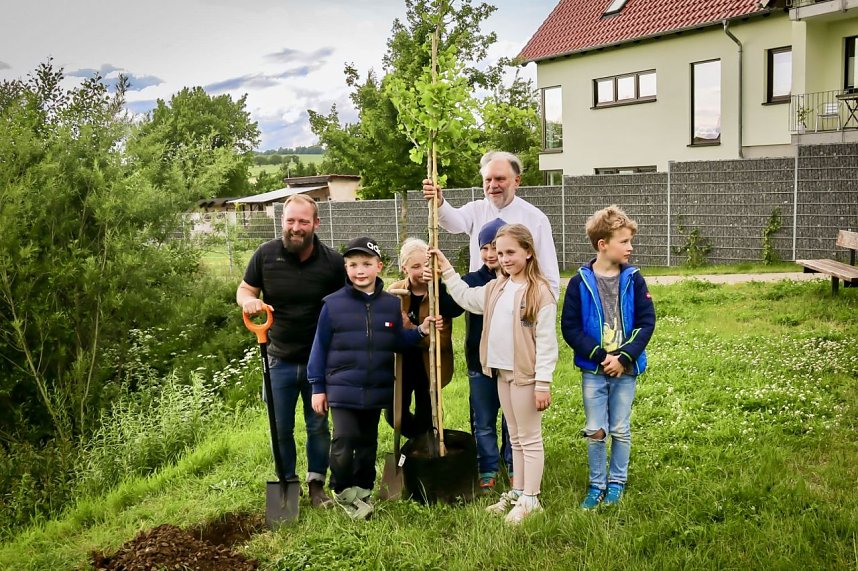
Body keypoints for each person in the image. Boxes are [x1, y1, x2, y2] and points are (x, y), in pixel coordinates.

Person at [430, 223, 558, 525]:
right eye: (500, 253)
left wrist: (543, 383)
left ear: (528, 252)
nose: (504, 258)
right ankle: (517, 492)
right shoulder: (497, 287)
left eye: (511, 252)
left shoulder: (540, 293)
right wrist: (447, 268)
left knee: (529, 438)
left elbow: (547, 344)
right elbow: (465, 296)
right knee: (514, 437)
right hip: (501, 373)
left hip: (526, 377)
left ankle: (531, 498)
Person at [308, 237, 442, 520]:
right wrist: (318, 387)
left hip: (376, 387)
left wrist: (419, 331)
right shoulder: (332, 305)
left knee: (367, 443)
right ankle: (343, 490)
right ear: (346, 268)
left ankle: (363, 490)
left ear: (378, 266)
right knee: (344, 441)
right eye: (353, 265)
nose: (360, 270)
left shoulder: (390, 305)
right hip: (342, 387)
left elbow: (394, 341)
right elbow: (319, 348)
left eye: (367, 264)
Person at [236, 194, 345, 509]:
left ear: (316, 224)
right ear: (281, 222)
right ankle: (287, 483)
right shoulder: (265, 255)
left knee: (318, 425)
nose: (296, 228)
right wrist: (250, 302)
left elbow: (351, 299)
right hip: (278, 359)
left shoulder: (333, 263)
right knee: (279, 427)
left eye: (303, 221)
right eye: (290, 221)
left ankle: (316, 484)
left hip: (319, 364)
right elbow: (245, 289)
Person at [560, 205, 655, 510]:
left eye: (630, 241)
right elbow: (570, 328)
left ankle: (616, 483)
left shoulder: (635, 279)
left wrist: (624, 358)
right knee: (595, 430)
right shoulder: (579, 282)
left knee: (620, 429)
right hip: (594, 370)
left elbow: (646, 323)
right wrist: (602, 357)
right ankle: (597, 484)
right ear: (603, 245)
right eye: (625, 241)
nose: (631, 247)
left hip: (625, 370)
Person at [422, 150, 561, 298]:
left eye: (500, 179)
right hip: (477, 299)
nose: (493, 185)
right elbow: (454, 224)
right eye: (488, 180)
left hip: (519, 305)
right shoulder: (476, 209)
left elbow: (548, 272)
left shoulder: (535, 218)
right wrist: (440, 203)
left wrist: (544, 308)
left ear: (517, 181)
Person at [386, 238, 463, 438]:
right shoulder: (395, 292)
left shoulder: (439, 296)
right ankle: (417, 441)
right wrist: (393, 325)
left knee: (425, 416)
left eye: (426, 265)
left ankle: (423, 448)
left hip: (428, 366)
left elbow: (442, 341)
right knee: (394, 415)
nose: (422, 271)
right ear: (404, 268)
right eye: (415, 266)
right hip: (400, 365)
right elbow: (384, 329)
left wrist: (412, 328)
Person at [461, 218, 513, 494]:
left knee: (512, 418)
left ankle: (513, 463)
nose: (491, 254)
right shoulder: (472, 281)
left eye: (496, 247)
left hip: (511, 363)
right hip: (479, 363)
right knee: (483, 419)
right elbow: (451, 302)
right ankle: (487, 466)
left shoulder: (518, 280)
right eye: (485, 247)